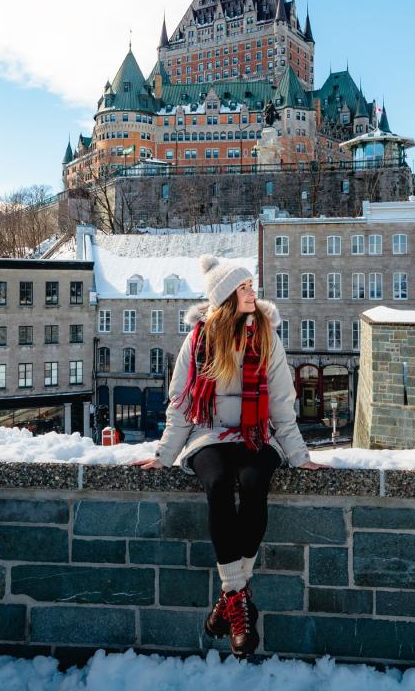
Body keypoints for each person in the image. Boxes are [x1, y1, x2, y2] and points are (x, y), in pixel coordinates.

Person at [131, 254, 326, 657]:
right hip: (209, 433)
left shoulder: (267, 336)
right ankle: (239, 598)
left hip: (256, 433)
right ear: (224, 297)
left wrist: (299, 454)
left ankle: (230, 599)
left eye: (251, 285)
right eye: (243, 287)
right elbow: (182, 401)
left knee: (254, 484)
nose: (252, 292)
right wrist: (165, 454)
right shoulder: (198, 340)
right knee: (218, 484)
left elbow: (282, 402)